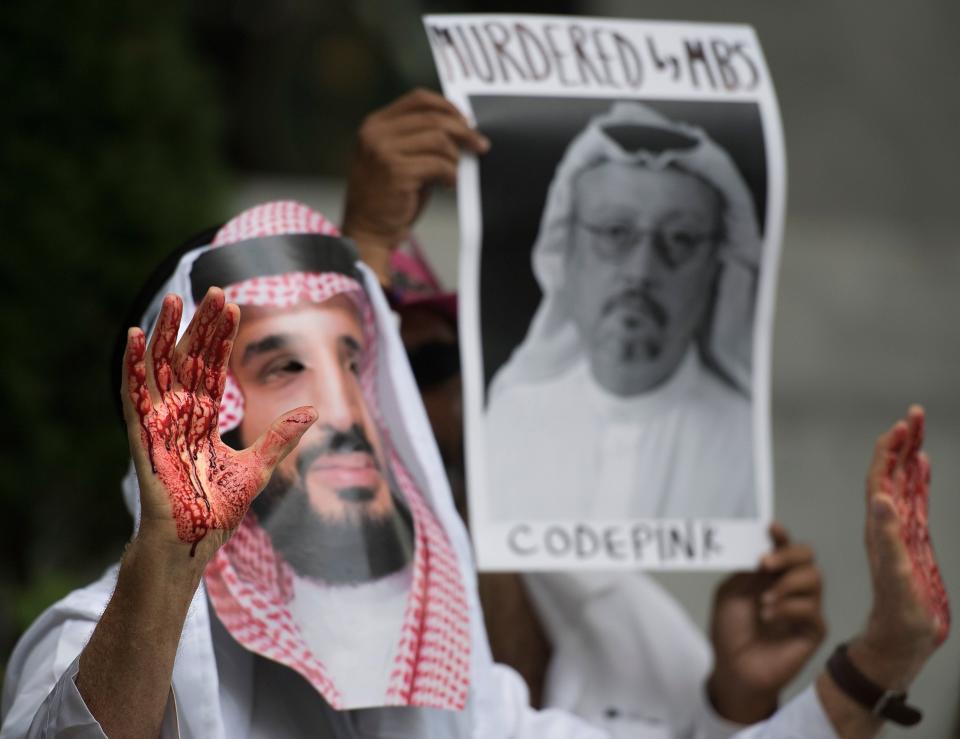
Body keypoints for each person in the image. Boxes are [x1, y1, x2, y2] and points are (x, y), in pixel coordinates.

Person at [0, 195, 951, 738]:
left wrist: (885, 654)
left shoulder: (439, 686)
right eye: (285, 364)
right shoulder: (88, 639)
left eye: (355, 364)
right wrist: (167, 562)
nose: (344, 410)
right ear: (192, 409)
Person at [337, 89, 948, 737]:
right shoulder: (265, 609)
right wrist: (363, 243)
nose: (415, 408)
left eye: (432, 367)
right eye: (614, 234)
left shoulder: (616, 606)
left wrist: (733, 699)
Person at [482, 101, 762, 521]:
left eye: (680, 239)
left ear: (714, 269)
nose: (641, 272)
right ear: (567, 254)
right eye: (615, 232)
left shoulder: (745, 444)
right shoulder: (506, 424)